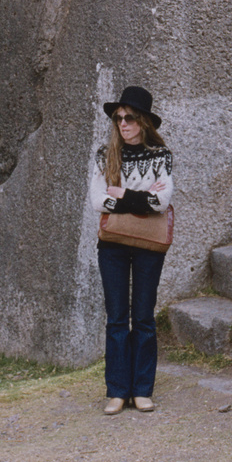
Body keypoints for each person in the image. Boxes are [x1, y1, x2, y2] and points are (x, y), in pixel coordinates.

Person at [90, 85, 174, 416]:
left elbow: (161, 202)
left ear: (143, 122)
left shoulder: (161, 156)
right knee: (116, 318)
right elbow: (98, 200)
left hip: (149, 247)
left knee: (143, 316)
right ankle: (116, 391)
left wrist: (120, 193)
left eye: (129, 118)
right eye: (118, 118)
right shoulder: (104, 155)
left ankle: (142, 390)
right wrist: (139, 197)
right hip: (111, 245)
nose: (122, 124)